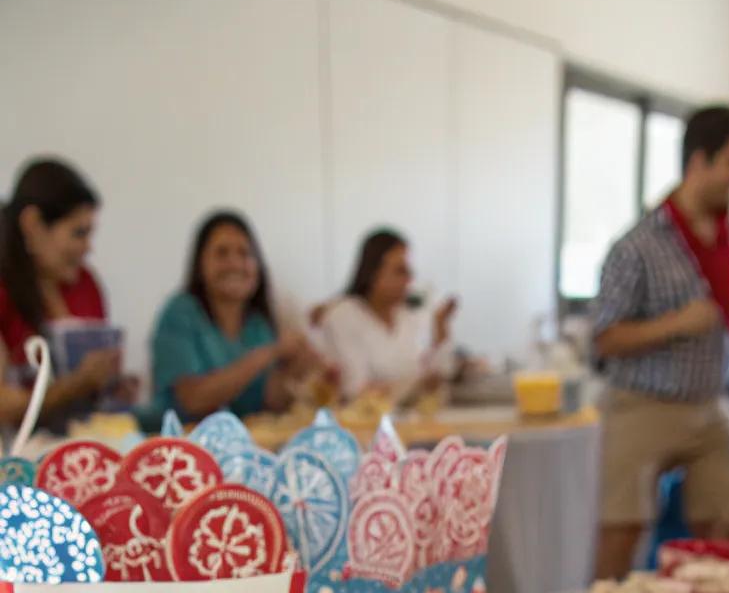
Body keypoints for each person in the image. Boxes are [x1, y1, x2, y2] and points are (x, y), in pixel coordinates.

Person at [592, 104, 729, 578]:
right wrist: (674, 324)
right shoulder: (637, 246)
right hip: (643, 403)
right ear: (699, 162)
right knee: (622, 527)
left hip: (708, 402)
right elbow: (605, 338)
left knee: (728, 515)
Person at [151, 211, 322, 421]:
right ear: (200, 263)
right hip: (181, 446)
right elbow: (193, 400)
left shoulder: (256, 324)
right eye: (221, 253)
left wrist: (300, 371)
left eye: (245, 253)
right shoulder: (180, 313)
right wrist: (271, 352)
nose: (234, 263)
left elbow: (268, 401)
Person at [0, 158, 127, 433]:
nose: (87, 247)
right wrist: (71, 388)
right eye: (78, 233)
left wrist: (110, 387)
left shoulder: (86, 285)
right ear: (32, 224)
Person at [313, 229, 457, 403]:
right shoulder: (343, 316)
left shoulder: (409, 316)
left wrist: (441, 329)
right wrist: (414, 385)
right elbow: (354, 391)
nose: (409, 279)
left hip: (413, 424)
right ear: (373, 273)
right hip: (364, 426)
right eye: (400, 271)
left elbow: (438, 378)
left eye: (409, 272)